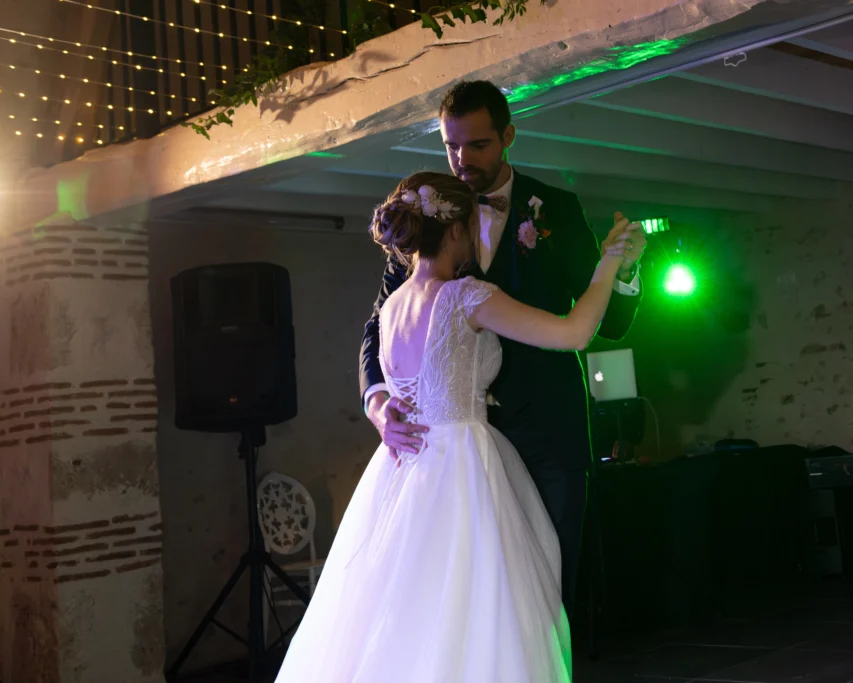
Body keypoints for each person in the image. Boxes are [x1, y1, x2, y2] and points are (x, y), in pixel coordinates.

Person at [274, 172, 637, 682]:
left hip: (407, 469)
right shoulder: (467, 296)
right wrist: (611, 260)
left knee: (411, 609)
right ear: (453, 232)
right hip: (466, 464)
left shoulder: (393, 306)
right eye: (469, 228)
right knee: (485, 605)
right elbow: (574, 333)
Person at [360, 81, 646, 611]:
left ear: (508, 136)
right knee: (465, 598)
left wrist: (621, 272)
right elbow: (377, 331)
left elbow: (605, 325)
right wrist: (379, 406)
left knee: (548, 591)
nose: (461, 160)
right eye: (451, 146)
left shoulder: (556, 208)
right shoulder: (428, 217)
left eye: (477, 145)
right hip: (455, 446)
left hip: (547, 434)